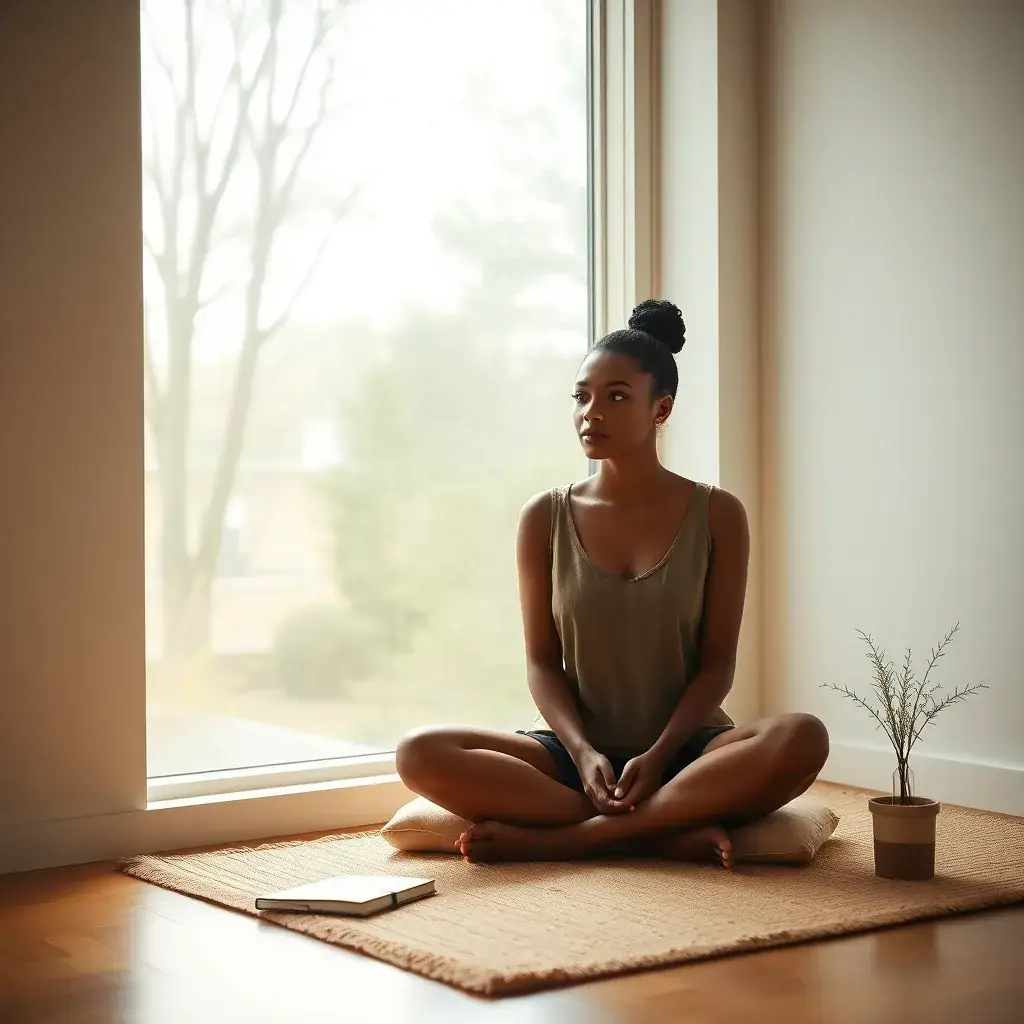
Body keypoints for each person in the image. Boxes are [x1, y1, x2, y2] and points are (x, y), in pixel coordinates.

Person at [396, 299, 829, 866]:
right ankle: (665, 831)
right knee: (419, 752)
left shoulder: (719, 514)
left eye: (616, 396)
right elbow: (542, 665)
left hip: (686, 752)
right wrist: (581, 753)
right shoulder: (543, 517)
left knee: (803, 736)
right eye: (581, 397)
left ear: (661, 408)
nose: (590, 413)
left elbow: (717, 666)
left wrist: (659, 753)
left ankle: (576, 839)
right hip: (571, 760)